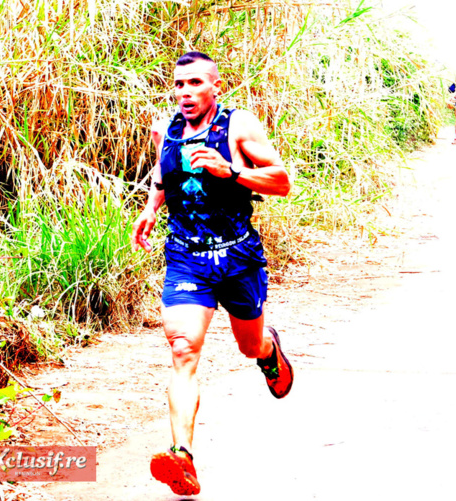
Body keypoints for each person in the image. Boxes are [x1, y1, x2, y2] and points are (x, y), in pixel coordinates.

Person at [130, 51, 294, 495]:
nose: (185, 92)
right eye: (179, 84)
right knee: (183, 349)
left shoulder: (237, 126)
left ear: (215, 87)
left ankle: (268, 351)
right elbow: (163, 174)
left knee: (248, 345)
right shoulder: (166, 129)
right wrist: (150, 209)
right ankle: (182, 456)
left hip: (238, 257)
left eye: (195, 83)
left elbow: (281, 181)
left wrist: (231, 171)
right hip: (187, 256)